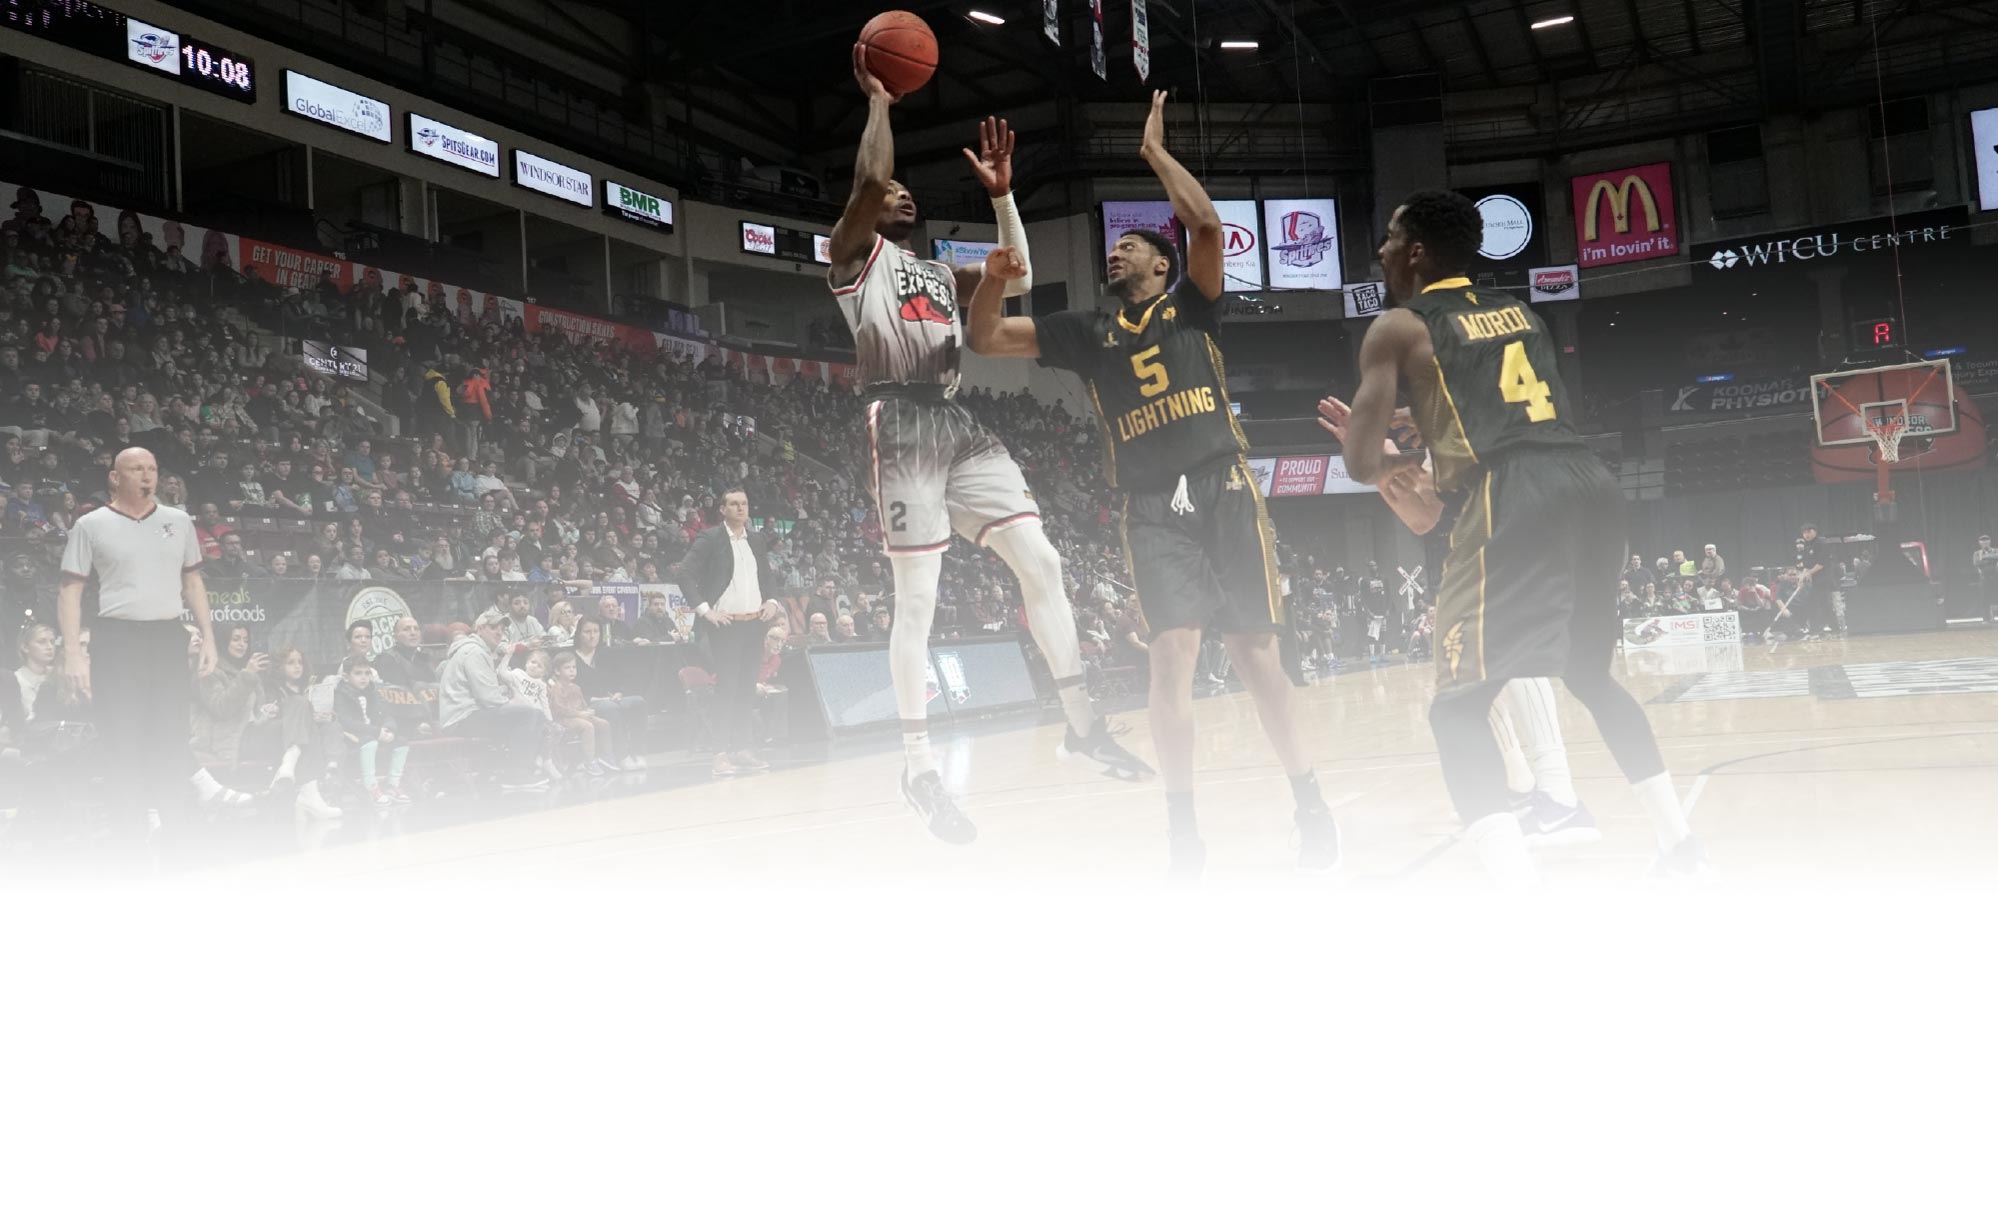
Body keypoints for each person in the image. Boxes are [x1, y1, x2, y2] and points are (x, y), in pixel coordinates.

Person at [966, 90, 1328, 875]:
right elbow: (986, 335)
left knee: (1258, 655)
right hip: (1152, 505)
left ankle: (1311, 804)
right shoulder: (1086, 333)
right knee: (1173, 657)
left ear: (1160, 264)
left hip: (1224, 485)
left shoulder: (1193, 308)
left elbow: (1203, 225)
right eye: (1115, 252)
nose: (1116, 256)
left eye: (1130, 248)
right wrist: (994, 276)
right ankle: (1183, 829)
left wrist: (1155, 154)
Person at [1317, 189, 1701, 884]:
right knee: (1589, 674)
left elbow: (1359, 460)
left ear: (1417, 253)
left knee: (1457, 709)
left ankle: (1515, 886)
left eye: (1390, 237)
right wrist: (1426, 423)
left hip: (1512, 494)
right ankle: (1681, 847)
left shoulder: (1397, 326)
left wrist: (1381, 455)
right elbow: (1496, 399)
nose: (1379, 250)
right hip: (1587, 479)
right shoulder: (1523, 311)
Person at [824, 53, 1146, 843]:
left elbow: (1021, 270)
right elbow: (867, 185)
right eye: (892, 190)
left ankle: (1080, 720)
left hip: (958, 422)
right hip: (898, 423)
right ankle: (919, 767)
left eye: (908, 191)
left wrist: (1003, 197)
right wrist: (881, 103)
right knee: (919, 602)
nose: (901, 192)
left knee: (1044, 563)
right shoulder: (850, 255)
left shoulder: (938, 273)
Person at [57, 446, 220, 849]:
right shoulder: (90, 525)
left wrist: (209, 637)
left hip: (167, 638)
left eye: (152, 468)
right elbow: (70, 590)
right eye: (136, 469)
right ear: (115, 477)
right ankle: (128, 838)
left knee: (171, 737)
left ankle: (178, 832)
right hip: (116, 639)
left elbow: (193, 583)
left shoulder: (178, 521)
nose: (147, 476)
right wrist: (74, 655)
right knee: (121, 741)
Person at [680, 488, 785, 777]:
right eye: (734, 504)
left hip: (754, 624)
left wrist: (772, 602)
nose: (741, 508)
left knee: (746, 688)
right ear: (723, 510)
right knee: (727, 689)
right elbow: (684, 573)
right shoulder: (710, 538)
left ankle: (742, 749)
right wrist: (705, 610)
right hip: (726, 626)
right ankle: (720, 753)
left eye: (745, 503)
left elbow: (767, 576)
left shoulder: (756, 539)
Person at [437, 607, 547, 789]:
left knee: (528, 714)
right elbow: (488, 698)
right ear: (479, 628)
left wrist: (503, 693)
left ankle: (505, 771)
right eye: (493, 627)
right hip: (461, 719)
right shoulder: (474, 652)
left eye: (502, 629)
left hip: (463, 715)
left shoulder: (477, 650)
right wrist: (509, 699)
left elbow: (487, 693)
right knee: (530, 715)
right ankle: (516, 775)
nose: (499, 632)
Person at [570, 616, 645, 771]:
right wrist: (594, 698)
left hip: (611, 698)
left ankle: (637, 752)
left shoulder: (606, 653)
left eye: (596, 631)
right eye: (587, 632)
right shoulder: (572, 657)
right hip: (588, 702)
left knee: (638, 702)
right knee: (610, 708)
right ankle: (621, 756)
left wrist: (619, 692)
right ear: (579, 634)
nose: (592, 636)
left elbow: (621, 677)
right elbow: (570, 686)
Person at [334, 655, 409, 805]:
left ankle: (392, 784)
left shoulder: (372, 691)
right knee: (370, 742)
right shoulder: (340, 694)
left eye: (367, 673)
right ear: (346, 677)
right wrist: (376, 732)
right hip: (351, 736)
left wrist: (389, 729)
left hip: (375, 733)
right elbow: (347, 722)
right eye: (358, 673)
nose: (363, 677)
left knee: (401, 742)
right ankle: (370, 785)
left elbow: (385, 713)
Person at [549, 652, 620, 776]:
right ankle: (589, 761)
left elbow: (583, 705)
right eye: (567, 668)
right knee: (587, 726)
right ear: (557, 671)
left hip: (578, 716)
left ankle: (606, 756)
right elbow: (558, 710)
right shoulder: (556, 688)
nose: (572, 671)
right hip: (563, 719)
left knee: (603, 723)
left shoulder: (576, 688)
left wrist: (588, 712)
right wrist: (580, 714)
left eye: (574, 667)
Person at [1975, 535, 1998, 623]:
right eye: (1982, 541)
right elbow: (1977, 562)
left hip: (1996, 577)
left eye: (1986, 540)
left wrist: (1985, 557)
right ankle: (1986, 619)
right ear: (1979, 543)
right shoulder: (1977, 553)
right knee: (1985, 598)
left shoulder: (1996, 550)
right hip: (1985, 578)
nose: (1985, 542)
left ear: (1990, 541)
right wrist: (1992, 558)